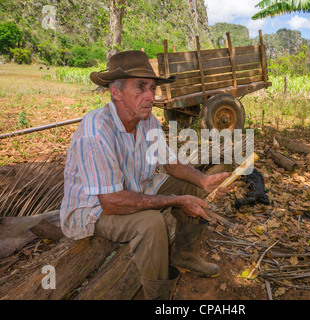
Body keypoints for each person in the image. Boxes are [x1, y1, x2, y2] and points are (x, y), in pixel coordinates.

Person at [60, 50, 230, 299]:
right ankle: (158, 297)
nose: (151, 96)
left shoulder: (146, 120)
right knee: (151, 224)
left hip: (136, 189)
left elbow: (169, 162)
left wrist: (203, 180)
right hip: (94, 208)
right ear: (116, 92)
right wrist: (176, 201)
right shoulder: (95, 132)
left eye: (152, 88)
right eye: (141, 87)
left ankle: (187, 256)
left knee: (191, 186)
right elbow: (112, 202)